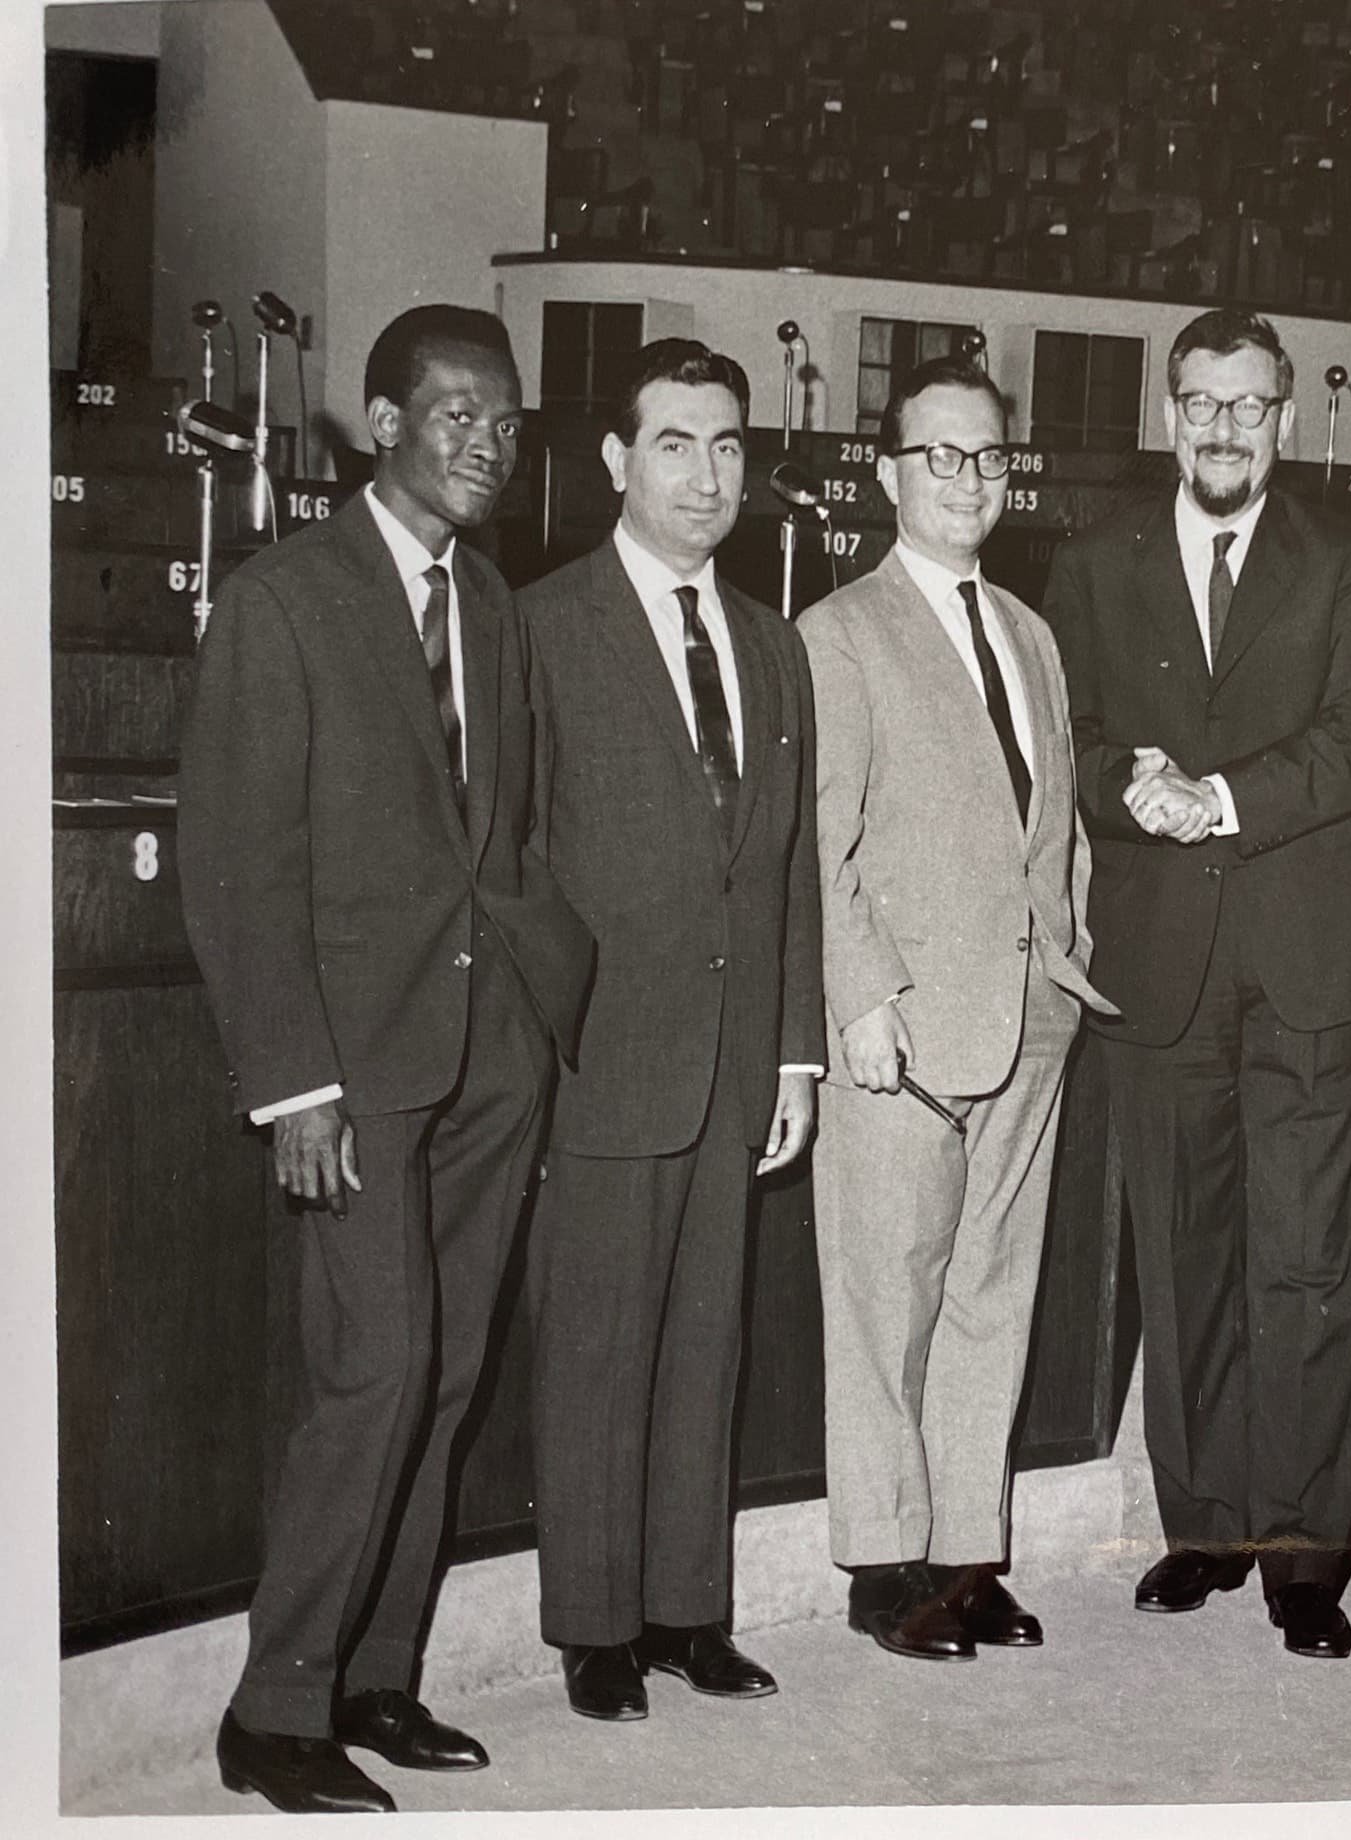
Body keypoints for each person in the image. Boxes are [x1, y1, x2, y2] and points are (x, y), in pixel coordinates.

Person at [180, 304, 592, 1814]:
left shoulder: (492, 603)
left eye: (505, 421)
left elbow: (511, 831)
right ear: (379, 421)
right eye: (456, 416)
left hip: (489, 1049)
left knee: (454, 1366)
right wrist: (292, 1084)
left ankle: (378, 1675)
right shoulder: (285, 599)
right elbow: (235, 862)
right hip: (350, 1068)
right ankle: (275, 1700)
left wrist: (545, 1007)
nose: (486, 442)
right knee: (378, 1369)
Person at [1043, 308, 1351, 1660]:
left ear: (1287, 414)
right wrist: (1130, 792)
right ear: (1168, 408)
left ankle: (1305, 1554)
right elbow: (1068, 734)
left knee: (1308, 1260)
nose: (1222, 428)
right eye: (1199, 401)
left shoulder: (1342, 554)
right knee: (1184, 1256)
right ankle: (1204, 1526)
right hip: (1158, 964)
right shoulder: (1097, 555)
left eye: (1248, 406)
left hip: (1308, 956)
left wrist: (1227, 798)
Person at [518, 339, 822, 1720]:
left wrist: (793, 1051)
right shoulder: (544, 626)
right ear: (615, 463)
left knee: (709, 1338)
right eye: (676, 445)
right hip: (605, 1056)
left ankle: (687, 1610)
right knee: (598, 1343)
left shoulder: (771, 639)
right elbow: (514, 854)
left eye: (727, 447)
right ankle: (593, 1626)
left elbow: (788, 865)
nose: (708, 476)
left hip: (735, 1051)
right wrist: (550, 1039)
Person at [799, 356, 1114, 1662]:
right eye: (943, 456)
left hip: (1030, 1012)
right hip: (909, 1030)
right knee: (888, 1293)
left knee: (994, 1288)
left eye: (989, 457)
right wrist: (863, 999)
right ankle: (885, 1561)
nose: (970, 480)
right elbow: (822, 842)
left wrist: (1069, 952)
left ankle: (966, 1554)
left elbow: (1057, 825)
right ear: (888, 473)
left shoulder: (1029, 635)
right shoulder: (840, 632)